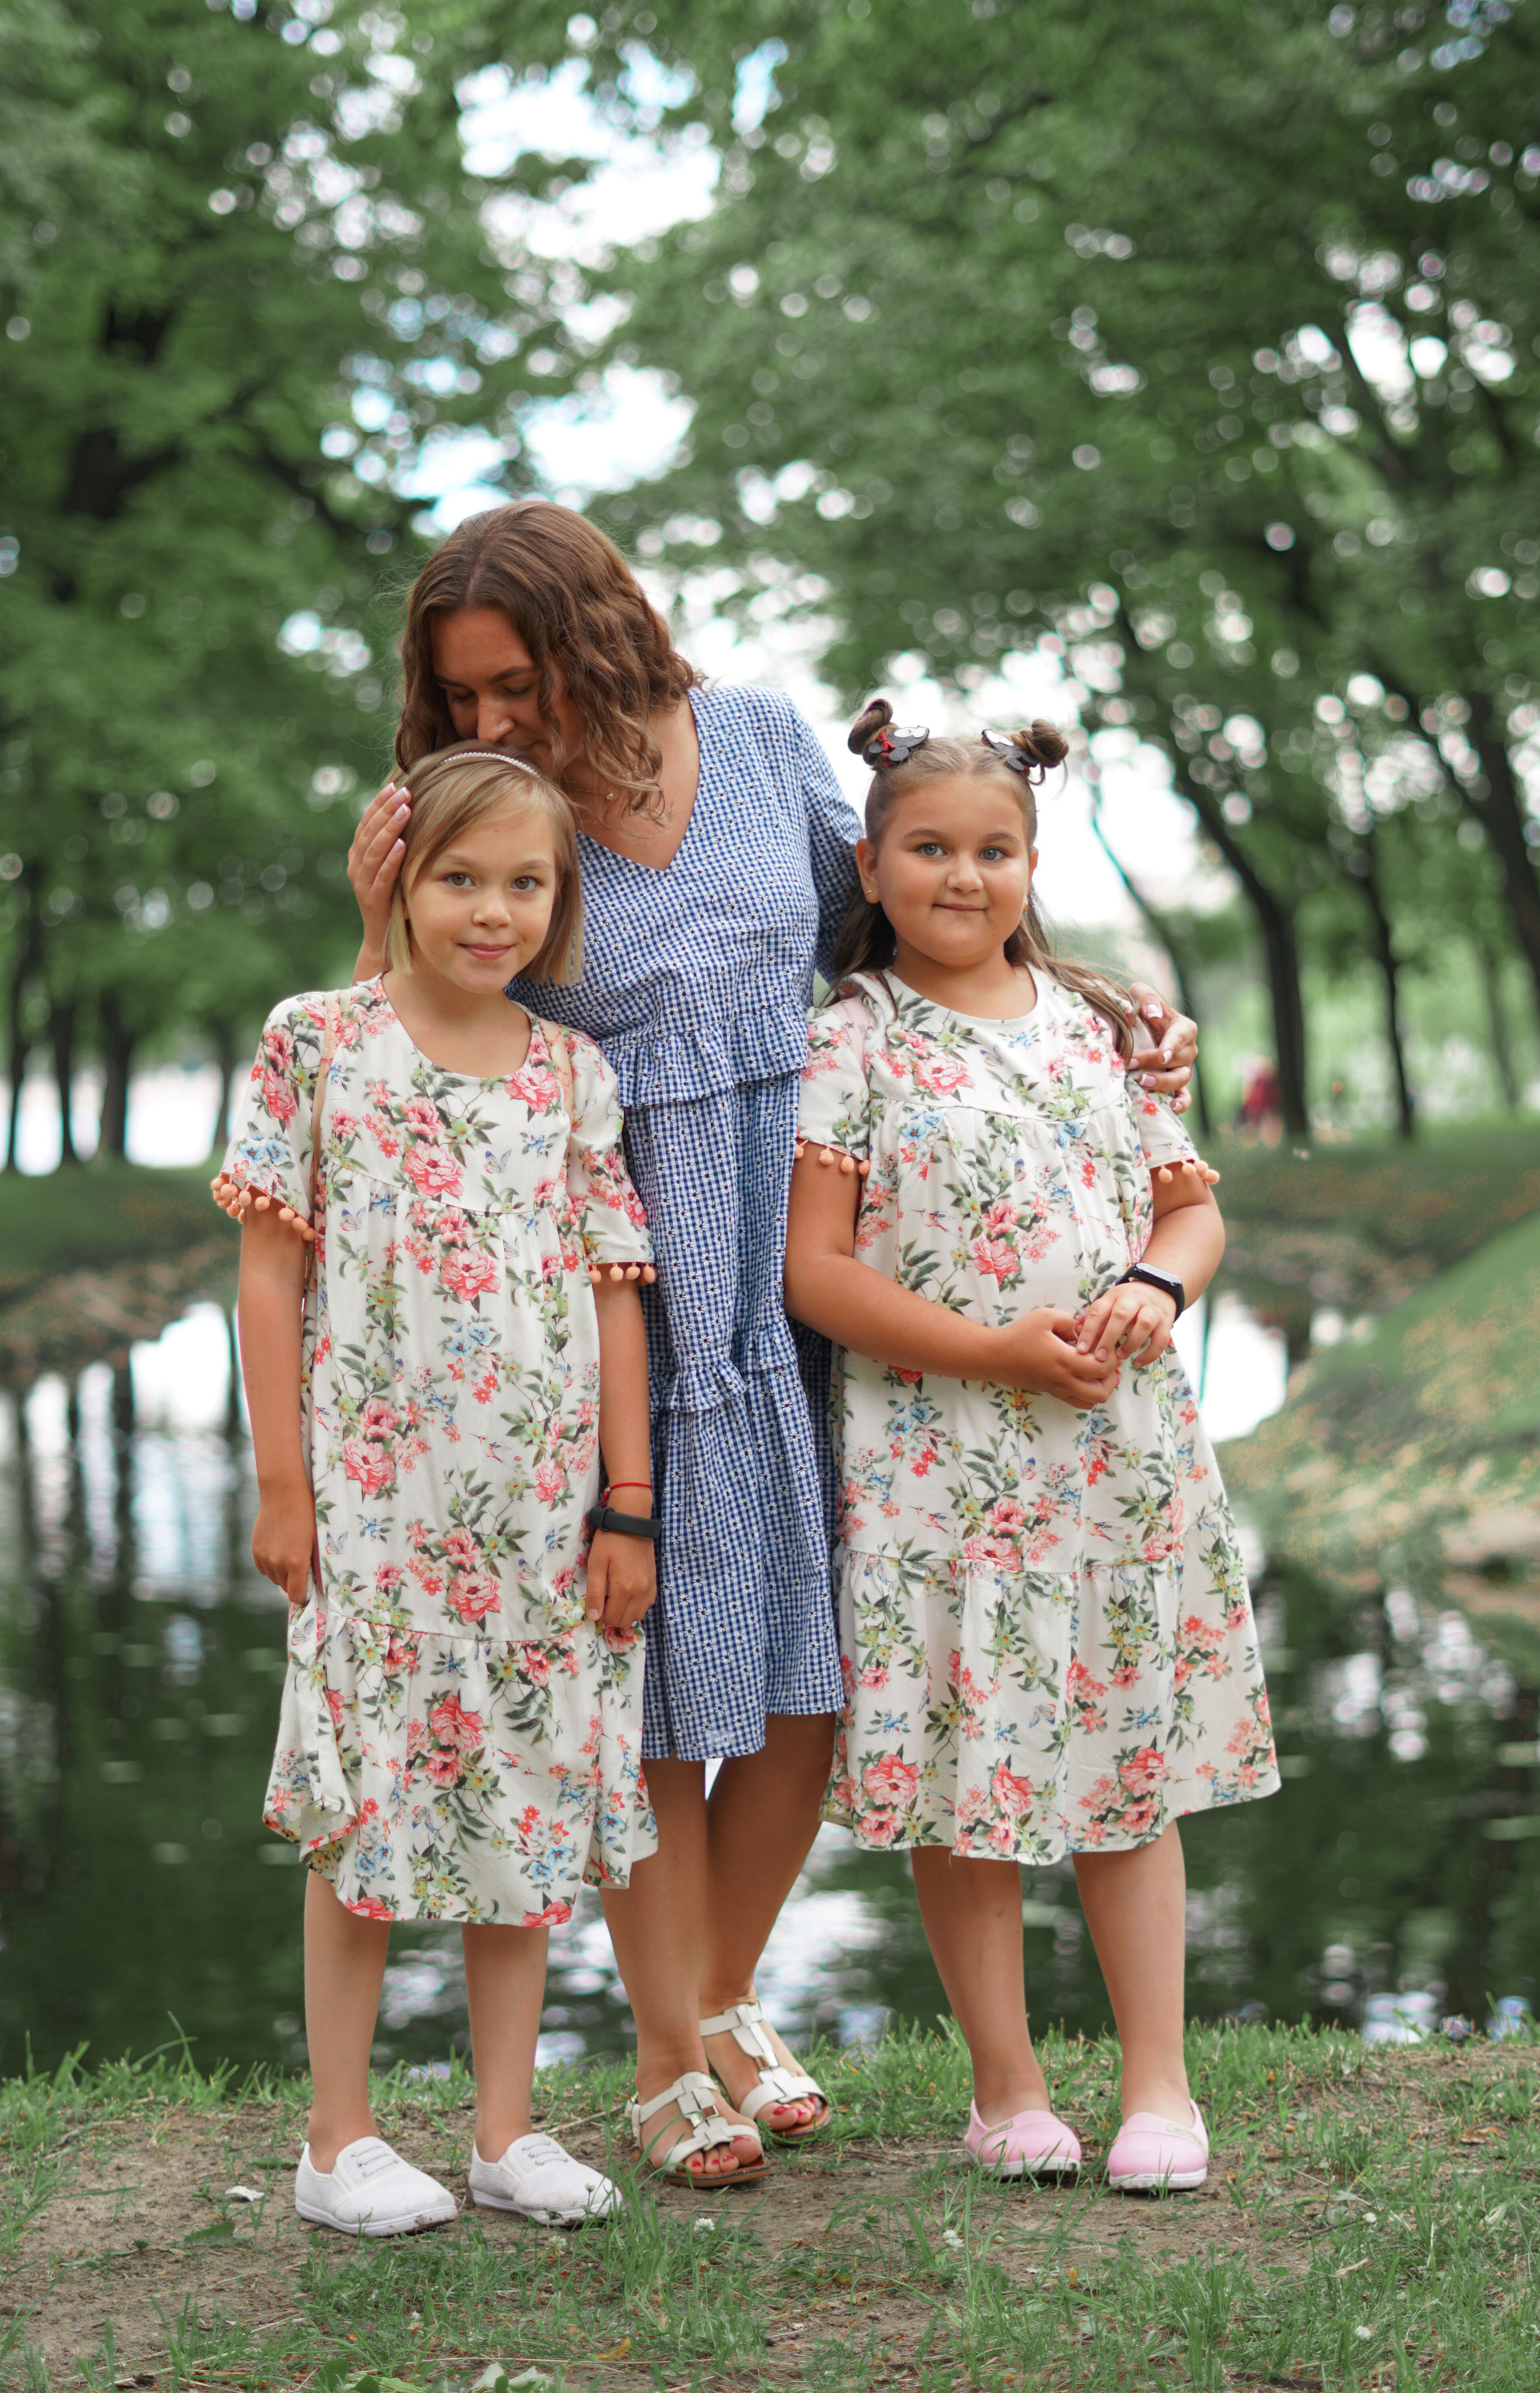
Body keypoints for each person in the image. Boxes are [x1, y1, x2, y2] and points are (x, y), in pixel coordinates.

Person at [345, 500, 1203, 2187]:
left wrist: (1095, 1004)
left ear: (599, 631)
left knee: (818, 1675)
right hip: (622, 1287)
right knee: (654, 1685)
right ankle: (676, 2064)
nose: (492, 725)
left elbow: (903, 929)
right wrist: (372, 918)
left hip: (822, 1258)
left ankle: (718, 1999)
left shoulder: (750, 741)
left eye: (515, 684)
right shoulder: (497, 822)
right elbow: (431, 1036)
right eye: (461, 701)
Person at [783, 702, 1278, 2193]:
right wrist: (996, 1349)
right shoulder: (848, 1042)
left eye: (992, 850)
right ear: (869, 867)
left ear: (1031, 859)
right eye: (927, 849)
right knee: (968, 1777)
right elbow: (815, 1271)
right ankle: (1003, 2089)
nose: (961, 877)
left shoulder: (1101, 1030)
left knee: (1129, 1766)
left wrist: (1151, 1283)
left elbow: (1188, 1208)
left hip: (1115, 1461)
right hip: (942, 1462)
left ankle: (1159, 2090)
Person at [216, 745, 662, 2232]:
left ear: (558, 897)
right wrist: (283, 1485)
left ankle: (502, 2132)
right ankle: (336, 2138)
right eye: (457, 877)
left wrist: (628, 1499)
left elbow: (611, 1294)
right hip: (374, 1512)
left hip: (539, 1521)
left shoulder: (573, 1073)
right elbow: (269, 1280)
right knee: (368, 1808)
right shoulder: (318, 1041)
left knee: (524, 1808)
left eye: (522, 883)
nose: (490, 911)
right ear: (398, 879)